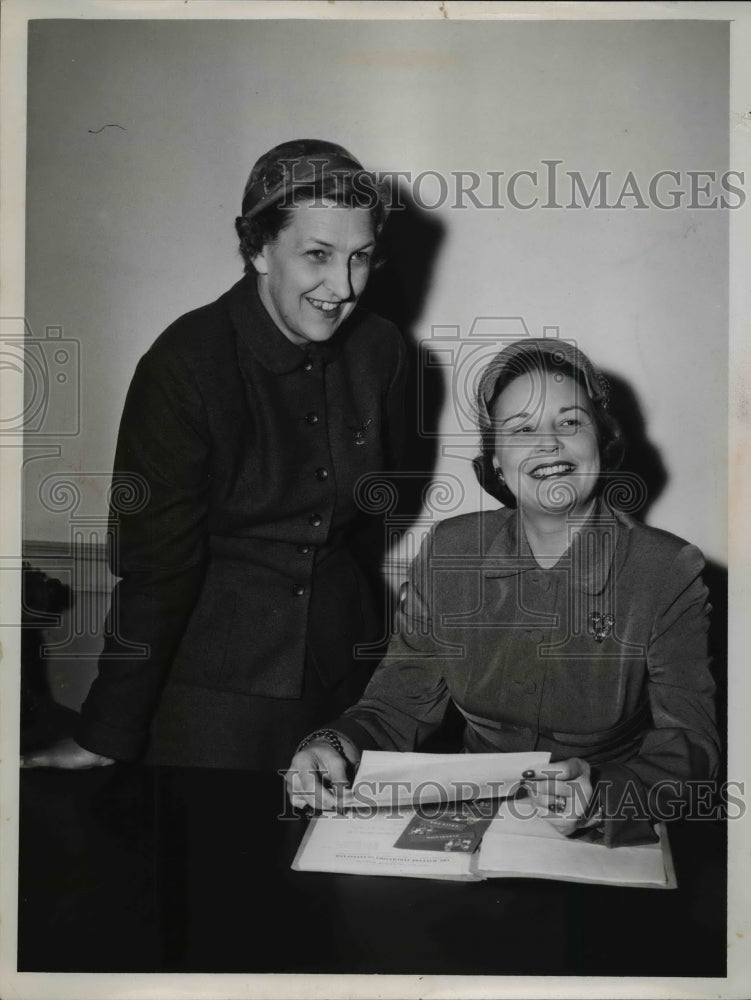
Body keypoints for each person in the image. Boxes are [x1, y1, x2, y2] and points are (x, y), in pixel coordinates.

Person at [22, 138, 406, 772]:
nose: (342, 287)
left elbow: (376, 512)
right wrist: (105, 734)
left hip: (350, 684)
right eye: (317, 255)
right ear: (257, 247)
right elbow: (156, 569)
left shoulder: (383, 352)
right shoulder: (184, 365)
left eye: (360, 258)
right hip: (213, 701)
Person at [286, 338, 720, 846]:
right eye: (522, 429)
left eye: (570, 422)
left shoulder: (667, 569)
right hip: (472, 820)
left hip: (604, 833)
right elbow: (396, 707)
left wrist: (605, 795)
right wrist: (332, 742)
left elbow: (692, 747)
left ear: (602, 440)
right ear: (495, 462)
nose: (549, 444)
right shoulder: (450, 549)